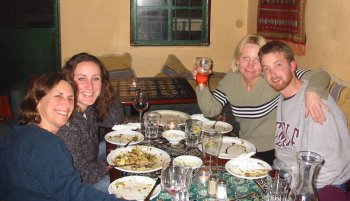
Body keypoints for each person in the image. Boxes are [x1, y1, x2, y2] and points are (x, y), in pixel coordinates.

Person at [193, 34, 330, 165]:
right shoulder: (231, 79)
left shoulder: (273, 78)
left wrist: (312, 91)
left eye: (257, 59)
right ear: (237, 59)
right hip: (243, 148)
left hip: (274, 152)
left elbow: (320, 75)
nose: (250, 65)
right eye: (245, 58)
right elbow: (210, 110)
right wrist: (201, 82)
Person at [0, 73, 124, 201]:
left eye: (70, 98)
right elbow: (73, 193)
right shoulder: (46, 143)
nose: (66, 104)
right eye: (58, 96)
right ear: (37, 101)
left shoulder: (19, 132)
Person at [259, 41, 350, 199]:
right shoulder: (284, 96)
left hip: (322, 188)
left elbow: (327, 168)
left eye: (278, 65)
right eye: (266, 69)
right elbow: (284, 152)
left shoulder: (316, 104)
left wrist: (291, 192)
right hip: (286, 179)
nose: (272, 74)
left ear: (293, 65)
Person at [57, 53, 125, 192]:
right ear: (69, 82)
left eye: (96, 78)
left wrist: (106, 92)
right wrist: (113, 164)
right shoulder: (67, 124)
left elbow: (114, 119)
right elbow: (83, 175)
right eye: (81, 78)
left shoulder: (87, 109)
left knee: (123, 147)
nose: (90, 86)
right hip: (76, 187)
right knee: (126, 184)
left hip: (90, 163)